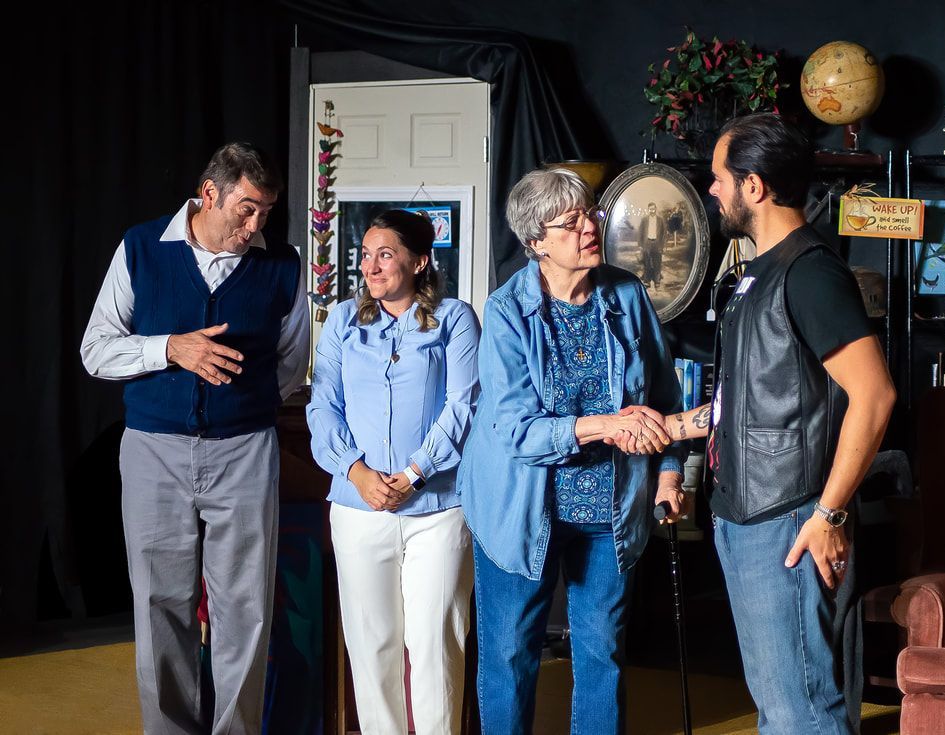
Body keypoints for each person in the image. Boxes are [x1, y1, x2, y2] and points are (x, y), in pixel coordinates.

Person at [626, 113, 896, 734]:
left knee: (802, 710)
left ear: (754, 186)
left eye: (720, 178)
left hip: (790, 519)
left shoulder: (810, 271)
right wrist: (673, 427)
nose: (712, 190)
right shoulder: (755, 274)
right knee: (780, 707)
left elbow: (875, 396)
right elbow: (747, 397)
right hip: (744, 515)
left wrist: (828, 515)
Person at [80, 142, 309, 734]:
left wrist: (240, 410)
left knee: (246, 612)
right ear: (209, 193)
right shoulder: (140, 248)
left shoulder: (282, 265)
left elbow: (291, 364)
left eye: (266, 212)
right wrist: (169, 348)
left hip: (245, 453)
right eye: (246, 208)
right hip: (153, 451)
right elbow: (96, 349)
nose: (255, 224)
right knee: (160, 608)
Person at [457, 168, 686, 735]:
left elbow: (662, 394)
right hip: (519, 507)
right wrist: (605, 426)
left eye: (591, 215)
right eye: (571, 222)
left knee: (602, 655)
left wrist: (669, 474)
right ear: (536, 243)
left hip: (608, 508)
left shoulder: (626, 294)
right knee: (510, 657)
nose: (589, 228)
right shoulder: (507, 312)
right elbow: (515, 429)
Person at [307, 209, 479, 734]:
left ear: (420, 261)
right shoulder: (341, 321)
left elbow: (465, 404)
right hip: (359, 510)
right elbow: (322, 407)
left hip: (438, 511)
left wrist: (415, 473)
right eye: (366, 255)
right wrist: (355, 472)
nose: (371, 267)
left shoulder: (455, 318)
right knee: (371, 644)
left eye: (386, 254)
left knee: (433, 643)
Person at [638, 201, 666, 286]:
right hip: (647, 243)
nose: (652, 211)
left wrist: (663, 246)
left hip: (657, 243)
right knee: (646, 262)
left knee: (657, 262)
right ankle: (647, 281)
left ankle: (657, 281)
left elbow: (664, 233)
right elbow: (640, 232)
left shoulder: (660, 220)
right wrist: (640, 245)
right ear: (648, 210)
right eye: (650, 209)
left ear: (656, 209)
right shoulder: (644, 219)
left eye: (653, 209)